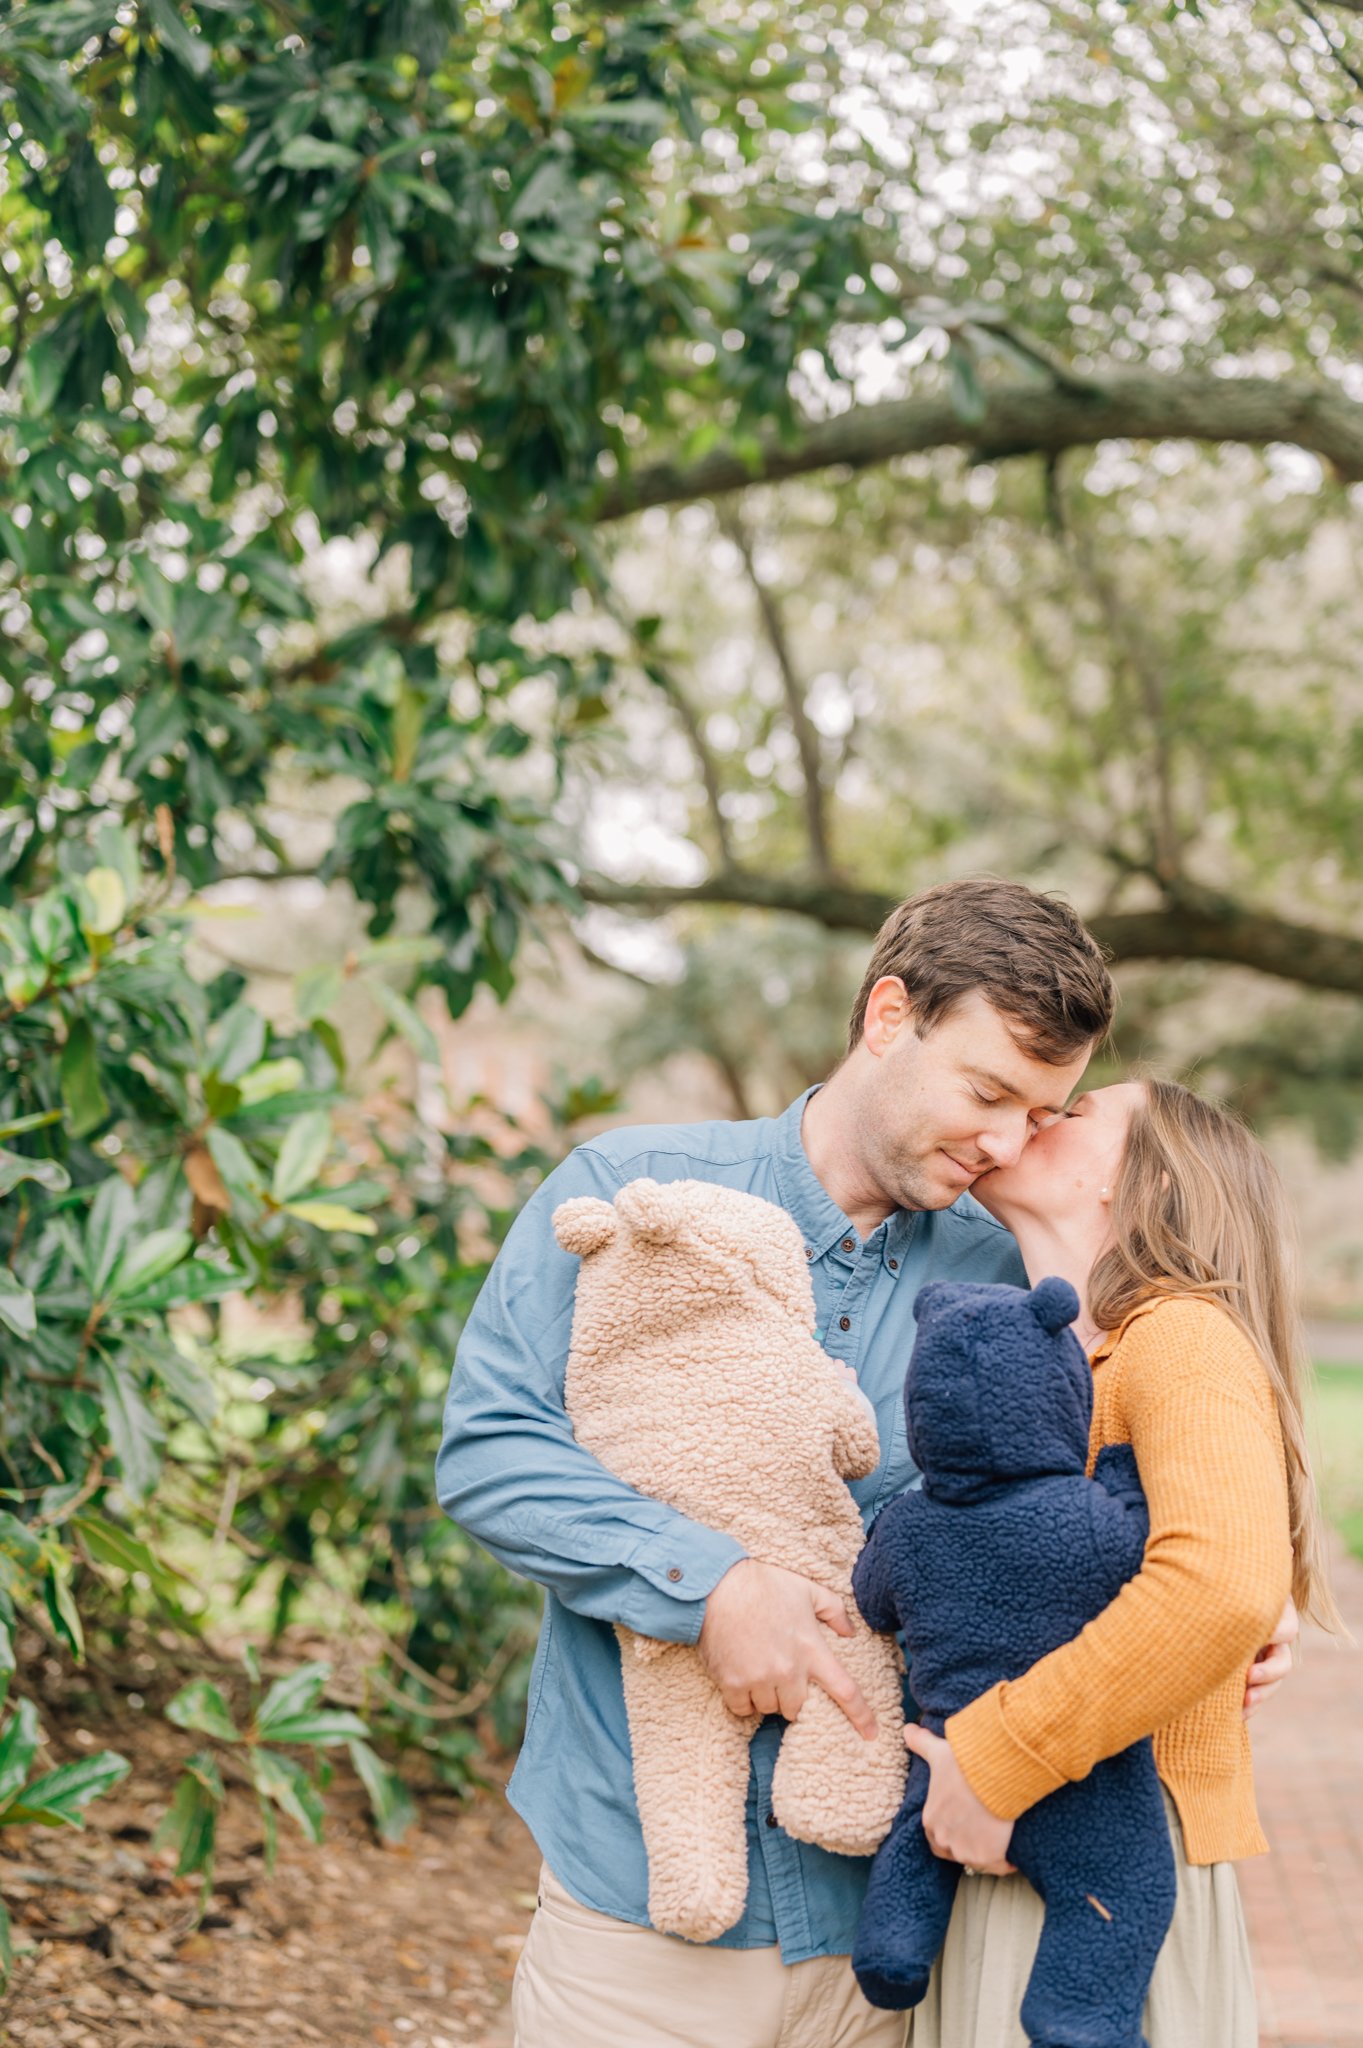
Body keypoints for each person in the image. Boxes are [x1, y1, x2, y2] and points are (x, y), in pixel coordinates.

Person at [434, 882, 1293, 2048]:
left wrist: (1231, 1619)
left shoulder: (1022, 1289)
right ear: (888, 1015)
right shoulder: (630, 1194)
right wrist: (709, 1583)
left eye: (1040, 1116)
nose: (1003, 1140)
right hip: (640, 1916)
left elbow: (1109, 1523)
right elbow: (490, 1449)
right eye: (988, 1092)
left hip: (904, 1931)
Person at [896, 1077, 1336, 2048]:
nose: (1038, 1119)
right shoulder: (1049, 1357)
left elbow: (1218, 1582)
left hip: (1108, 1873)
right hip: (1004, 1837)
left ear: (1135, 1180)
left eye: (1076, 1109)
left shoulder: (1177, 1334)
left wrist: (989, 1757)